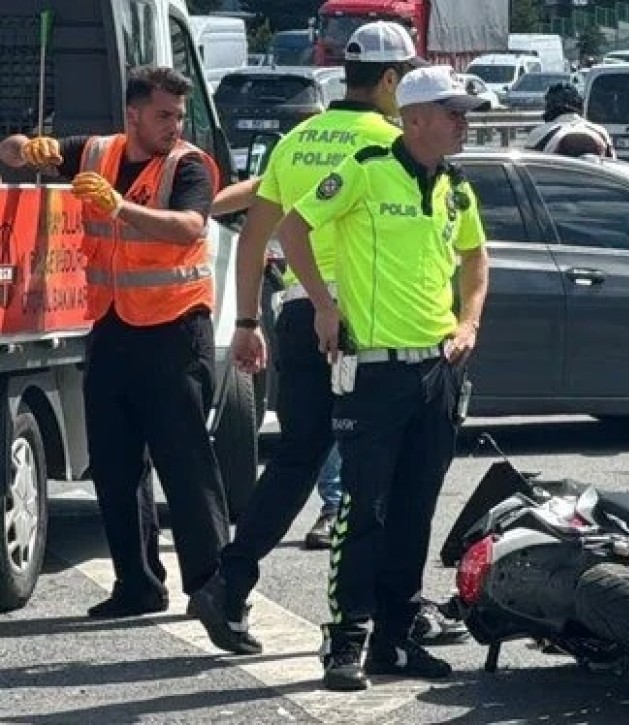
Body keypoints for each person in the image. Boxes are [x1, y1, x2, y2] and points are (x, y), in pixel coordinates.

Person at [189, 21, 452, 656]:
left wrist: (248, 321)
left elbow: (254, 235)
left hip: (297, 316)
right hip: (365, 325)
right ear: (390, 81)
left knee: (297, 457)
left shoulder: (296, 139)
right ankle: (390, 617)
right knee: (381, 474)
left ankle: (229, 581)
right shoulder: (394, 144)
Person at [275, 64, 489, 692]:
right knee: (361, 508)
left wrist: (469, 322)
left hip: (438, 369)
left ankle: (395, 639)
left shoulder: (457, 186)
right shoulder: (367, 169)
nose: (464, 123)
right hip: (375, 370)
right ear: (414, 117)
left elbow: (477, 257)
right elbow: (293, 226)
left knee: (416, 510)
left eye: (465, 112)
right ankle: (345, 640)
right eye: (453, 112)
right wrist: (322, 302)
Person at [0, 66, 229, 617]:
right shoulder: (100, 152)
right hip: (113, 328)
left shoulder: (188, 165)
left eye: (178, 115)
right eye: (163, 115)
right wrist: (30, 149)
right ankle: (137, 584)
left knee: (185, 465)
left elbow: (190, 227)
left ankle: (215, 587)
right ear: (133, 114)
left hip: (174, 332)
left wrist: (119, 207)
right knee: (115, 462)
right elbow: (7, 151)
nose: (174, 125)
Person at [523, 83, 615, 158]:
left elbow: (529, 168)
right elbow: (613, 166)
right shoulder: (601, 132)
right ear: (580, 106)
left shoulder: (539, 133)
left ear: (549, 108)